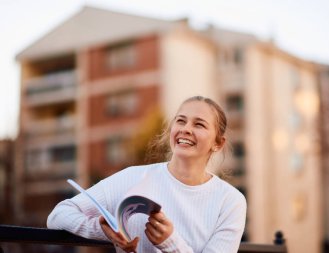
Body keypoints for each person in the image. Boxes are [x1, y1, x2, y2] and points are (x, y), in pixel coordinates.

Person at [47, 96, 247, 253]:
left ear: (218, 143)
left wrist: (170, 243)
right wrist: (103, 231)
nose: (186, 129)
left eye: (199, 124)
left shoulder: (230, 201)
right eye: (181, 121)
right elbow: (58, 215)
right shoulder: (132, 177)